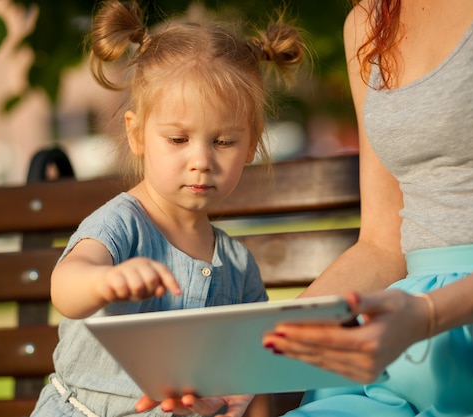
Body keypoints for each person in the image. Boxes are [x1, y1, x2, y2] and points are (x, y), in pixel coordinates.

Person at [140, 0, 473, 416]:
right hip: (412, 348)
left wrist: (429, 314)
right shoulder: (368, 23)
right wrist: (241, 366)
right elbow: (383, 246)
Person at [29, 1, 306, 416]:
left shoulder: (237, 264)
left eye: (224, 141)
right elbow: (66, 287)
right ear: (137, 134)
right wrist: (106, 282)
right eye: (178, 140)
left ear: (251, 143)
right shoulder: (122, 223)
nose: (201, 160)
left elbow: (253, 375)